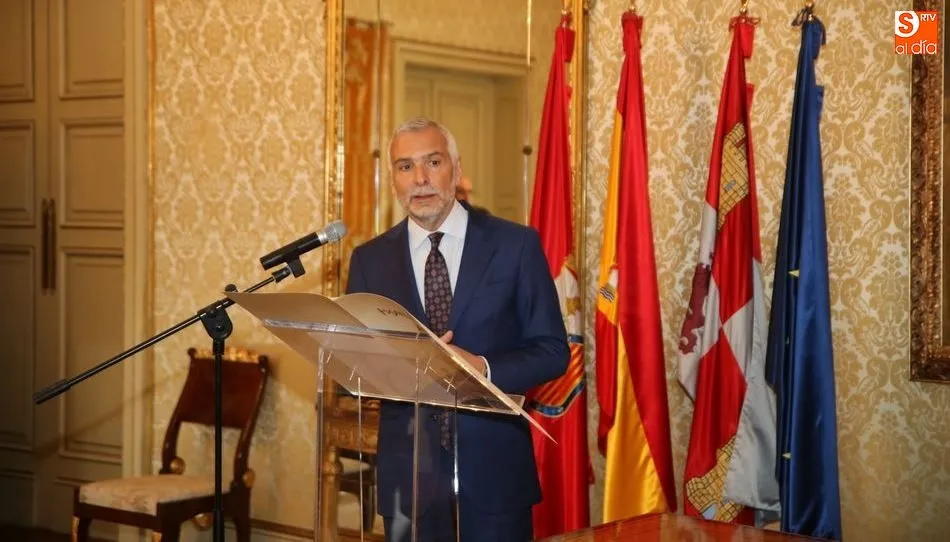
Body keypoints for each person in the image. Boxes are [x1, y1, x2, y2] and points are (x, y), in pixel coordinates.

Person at [345, 117, 569, 542]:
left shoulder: (515, 245)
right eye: (405, 167)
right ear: (393, 178)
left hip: (494, 473)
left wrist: (481, 368)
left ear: (456, 168)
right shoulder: (369, 260)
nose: (421, 179)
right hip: (408, 479)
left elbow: (552, 350)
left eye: (433, 161)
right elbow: (357, 363)